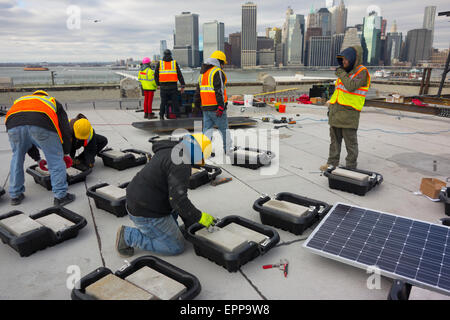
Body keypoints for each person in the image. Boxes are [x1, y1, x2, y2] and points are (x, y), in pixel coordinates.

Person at [116, 133, 217, 257]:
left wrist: (190, 221)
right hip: (146, 211)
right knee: (175, 246)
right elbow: (178, 201)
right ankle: (128, 235)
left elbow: (175, 196)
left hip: (144, 198)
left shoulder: (171, 150)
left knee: (179, 214)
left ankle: (165, 230)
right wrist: (199, 217)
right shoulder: (181, 163)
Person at [5, 90, 75, 206]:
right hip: (41, 124)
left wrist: (37, 159)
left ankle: (15, 195)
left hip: (13, 126)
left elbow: (26, 137)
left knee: (16, 158)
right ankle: (60, 196)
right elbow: (65, 129)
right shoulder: (51, 101)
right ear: (45, 95)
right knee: (55, 160)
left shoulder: (20, 101)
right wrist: (65, 153)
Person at [320, 45, 370, 171]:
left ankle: (351, 167)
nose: (344, 62)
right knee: (334, 142)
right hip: (336, 112)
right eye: (342, 60)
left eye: (346, 60)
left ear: (353, 59)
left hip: (349, 113)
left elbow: (351, 86)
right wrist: (331, 104)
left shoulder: (361, 72)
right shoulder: (345, 72)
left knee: (350, 143)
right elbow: (339, 91)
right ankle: (332, 163)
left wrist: (341, 73)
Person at [194, 50, 232, 155]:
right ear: (219, 62)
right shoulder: (217, 71)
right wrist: (221, 106)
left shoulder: (203, 73)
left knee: (207, 130)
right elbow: (219, 90)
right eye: (223, 63)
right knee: (224, 130)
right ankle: (228, 150)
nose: (223, 66)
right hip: (216, 108)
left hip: (206, 108)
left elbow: (198, 91)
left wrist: (196, 105)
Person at [154, 49, 186, 120]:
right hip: (173, 86)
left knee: (163, 102)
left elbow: (156, 75)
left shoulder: (160, 63)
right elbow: (179, 74)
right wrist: (182, 85)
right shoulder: (174, 63)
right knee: (175, 103)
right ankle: (177, 116)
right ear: (170, 55)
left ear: (164, 55)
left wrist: (158, 84)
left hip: (163, 87)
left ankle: (161, 116)